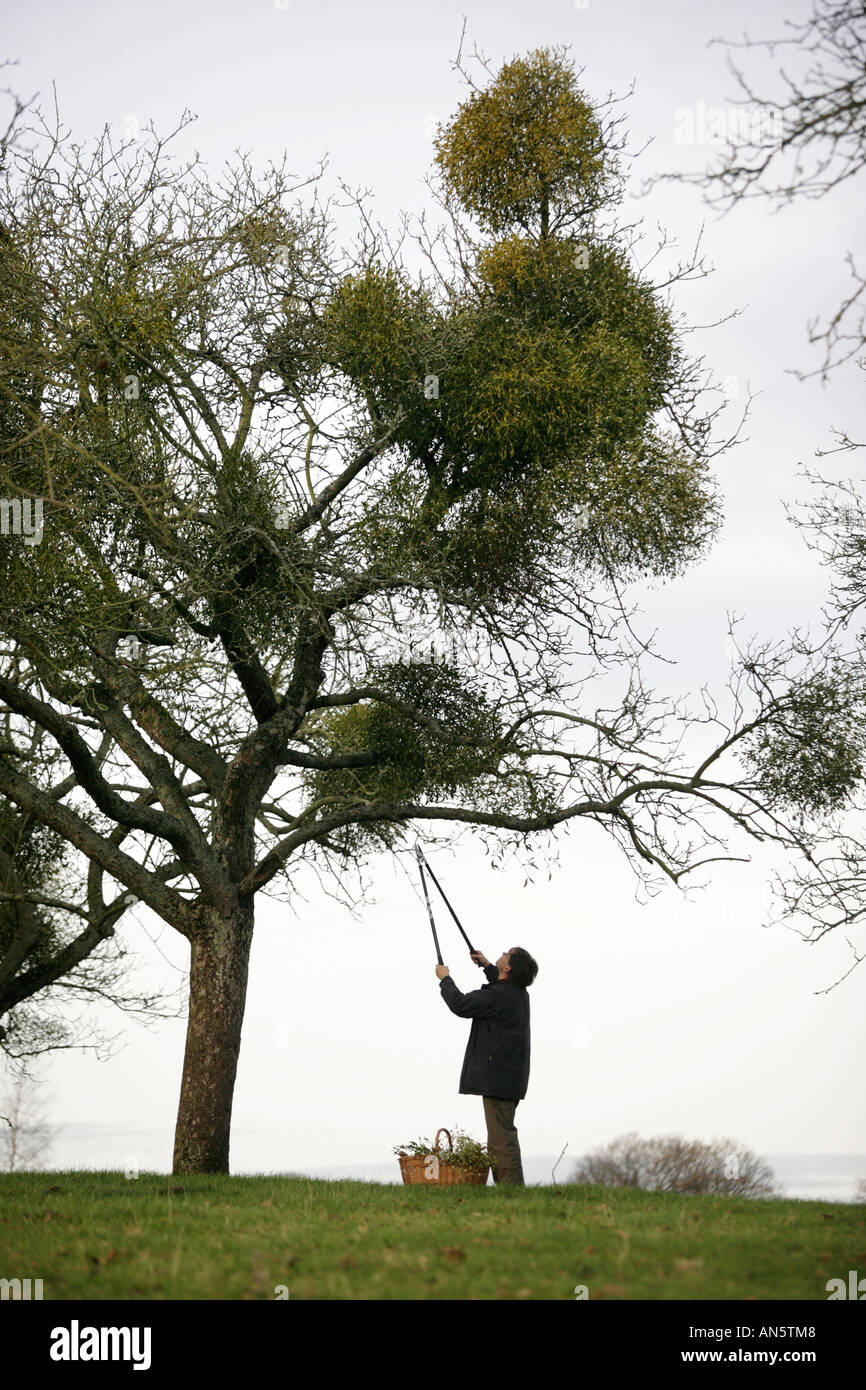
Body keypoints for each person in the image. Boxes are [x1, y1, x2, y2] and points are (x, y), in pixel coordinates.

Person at [435, 946, 538, 1187]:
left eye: (507, 954)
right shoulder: (518, 993)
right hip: (509, 1077)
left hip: (499, 1079)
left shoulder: (500, 996)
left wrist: (445, 979)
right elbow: (500, 987)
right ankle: (510, 1190)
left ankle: (511, 1191)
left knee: (501, 1139)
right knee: (502, 1134)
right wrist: (488, 966)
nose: (502, 952)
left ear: (509, 967)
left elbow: (460, 1004)